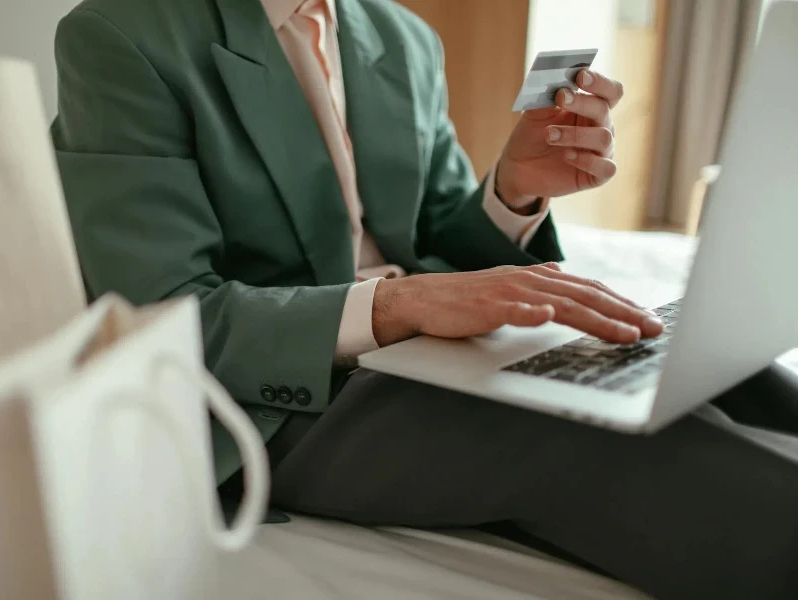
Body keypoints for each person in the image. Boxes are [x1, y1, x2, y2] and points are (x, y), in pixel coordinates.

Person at [51, 0, 798, 597]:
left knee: (699, 367)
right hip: (286, 395)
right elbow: (161, 316)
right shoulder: (121, 34)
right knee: (602, 437)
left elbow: (437, 233)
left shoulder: (400, 35)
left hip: (436, 352)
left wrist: (514, 191)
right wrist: (396, 307)